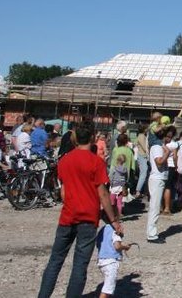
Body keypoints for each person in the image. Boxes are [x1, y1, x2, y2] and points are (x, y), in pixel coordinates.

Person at [38, 124, 123, 298]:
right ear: (92, 138)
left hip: (68, 215)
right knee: (79, 265)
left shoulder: (65, 160)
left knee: (55, 261)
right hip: (88, 217)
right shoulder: (96, 162)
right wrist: (113, 220)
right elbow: (103, 194)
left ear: (75, 139)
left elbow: (63, 192)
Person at [146, 126, 176, 243]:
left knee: (155, 205)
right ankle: (152, 234)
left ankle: (152, 232)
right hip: (157, 178)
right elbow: (159, 162)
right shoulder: (157, 147)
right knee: (155, 207)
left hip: (158, 178)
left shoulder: (157, 146)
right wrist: (167, 153)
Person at [96, 217, 131, 298]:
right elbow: (117, 246)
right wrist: (125, 247)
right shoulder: (115, 231)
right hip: (111, 261)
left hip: (101, 260)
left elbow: (98, 244)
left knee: (108, 283)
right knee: (108, 288)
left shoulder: (102, 230)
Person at [133, 125, 149, 199]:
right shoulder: (142, 136)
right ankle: (138, 191)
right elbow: (145, 147)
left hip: (141, 156)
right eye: (146, 128)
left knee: (142, 173)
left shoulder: (141, 135)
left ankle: (140, 191)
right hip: (143, 156)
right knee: (144, 173)